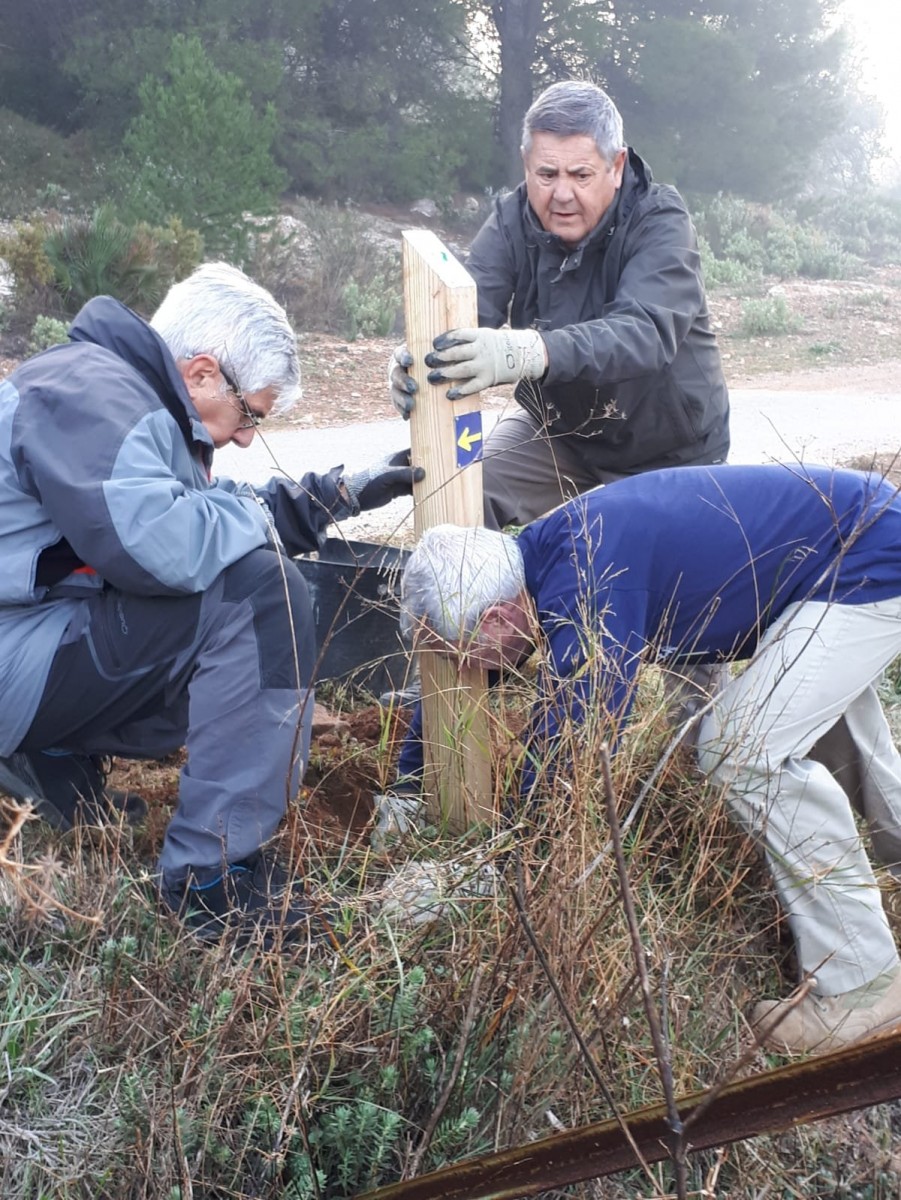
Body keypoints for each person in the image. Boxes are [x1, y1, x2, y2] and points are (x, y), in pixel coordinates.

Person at [397, 462, 901, 1055]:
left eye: (464, 653)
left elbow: (570, 745)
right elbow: (453, 687)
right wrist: (409, 784)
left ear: (499, 617)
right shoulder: (534, 557)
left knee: (741, 751)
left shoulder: (590, 586)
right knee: (808, 724)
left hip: (865, 556)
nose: (467, 672)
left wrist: (505, 861)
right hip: (842, 545)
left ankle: (865, 986)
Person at [0, 262, 422, 948]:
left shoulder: (117, 397)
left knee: (232, 587)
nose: (248, 437)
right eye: (250, 414)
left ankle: (49, 756)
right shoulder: (90, 393)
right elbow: (155, 548)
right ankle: (213, 882)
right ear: (200, 373)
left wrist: (336, 495)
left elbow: (187, 522)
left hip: (27, 635)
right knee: (263, 596)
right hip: (15, 649)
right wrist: (255, 527)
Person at [389, 78, 729, 531]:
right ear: (526, 165)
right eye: (546, 175)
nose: (562, 194)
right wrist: (414, 358)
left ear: (616, 165)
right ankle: (471, 602)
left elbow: (644, 332)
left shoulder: (660, 220)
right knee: (463, 493)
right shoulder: (513, 219)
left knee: (647, 573)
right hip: (561, 432)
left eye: (581, 175)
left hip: (668, 448)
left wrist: (526, 352)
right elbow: (465, 310)